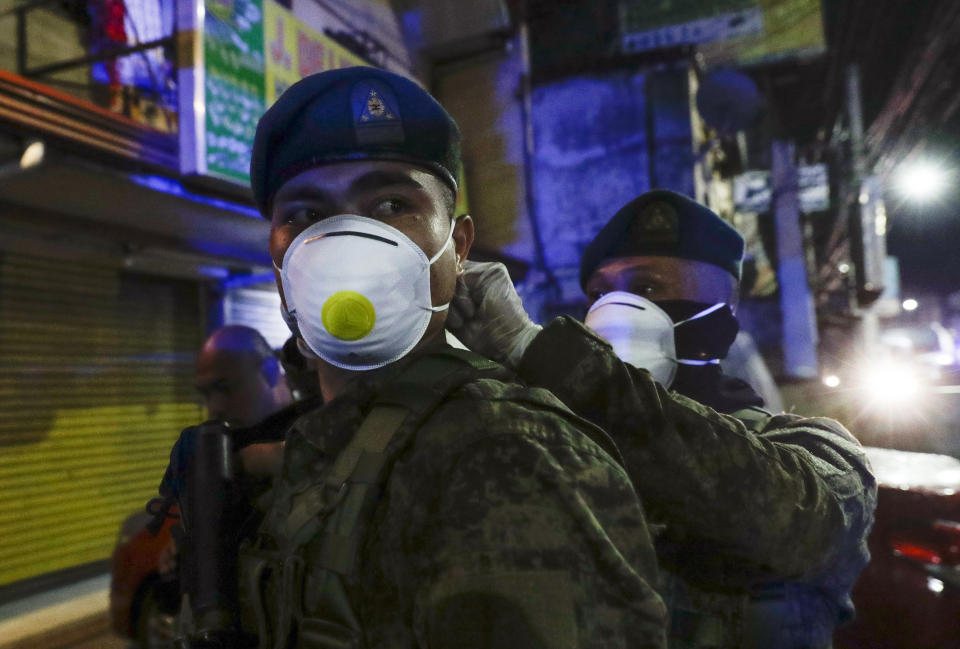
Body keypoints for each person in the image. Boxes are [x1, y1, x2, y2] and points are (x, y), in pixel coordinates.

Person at [204, 66, 669, 649]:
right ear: (277, 254)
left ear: (460, 245)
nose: (349, 242)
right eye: (305, 214)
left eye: (392, 203)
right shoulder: (322, 437)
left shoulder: (511, 452)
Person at [447, 189, 877, 649]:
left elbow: (795, 525)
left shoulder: (819, 454)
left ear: (721, 313)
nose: (612, 309)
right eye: (598, 293)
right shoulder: (562, 443)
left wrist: (537, 350)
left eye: (647, 288)